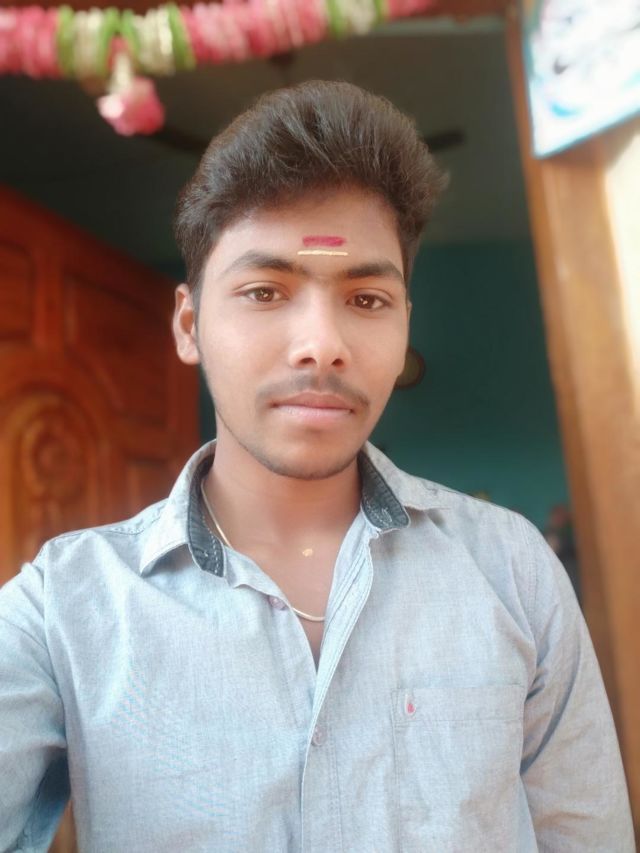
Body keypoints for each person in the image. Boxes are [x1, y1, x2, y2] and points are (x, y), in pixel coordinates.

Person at [0, 81, 634, 852]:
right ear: (190, 324)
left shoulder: (513, 570)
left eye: (366, 299)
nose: (321, 344)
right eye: (265, 291)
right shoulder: (62, 608)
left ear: (405, 326)